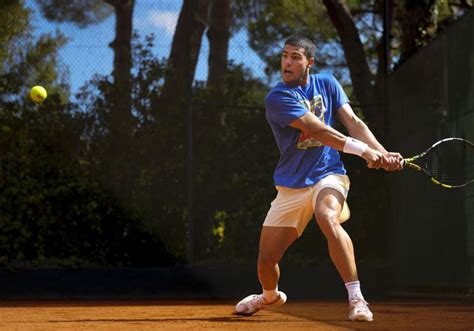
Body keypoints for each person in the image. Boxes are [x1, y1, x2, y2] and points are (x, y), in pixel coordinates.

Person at [234, 34, 403, 322]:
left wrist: (383, 153)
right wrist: (365, 153)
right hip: (291, 185)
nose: (287, 62)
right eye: (284, 55)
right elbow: (318, 131)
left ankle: (357, 299)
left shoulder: (327, 83)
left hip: (329, 174)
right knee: (265, 262)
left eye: (295, 57)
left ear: (309, 62)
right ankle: (269, 295)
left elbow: (354, 123)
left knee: (327, 217)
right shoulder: (277, 98)